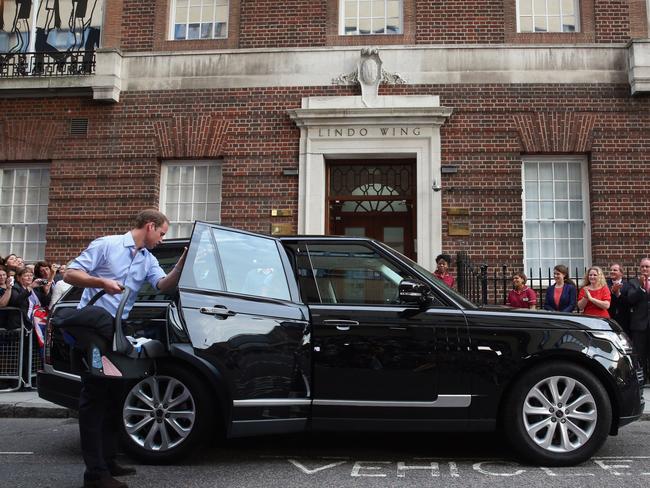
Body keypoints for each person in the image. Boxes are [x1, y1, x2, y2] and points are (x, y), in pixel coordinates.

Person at [64, 209, 186, 488]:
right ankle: (94, 475)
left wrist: (180, 264)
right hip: (94, 332)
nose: (162, 239)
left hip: (116, 332)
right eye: (162, 233)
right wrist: (101, 282)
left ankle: (108, 461)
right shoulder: (107, 245)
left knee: (114, 396)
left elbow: (164, 285)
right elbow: (70, 274)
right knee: (94, 399)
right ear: (150, 226)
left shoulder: (148, 259)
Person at [624, 257, 650, 385]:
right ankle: (642, 379)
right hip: (639, 325)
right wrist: (641, 287)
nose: (645, 269)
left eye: (647, 267)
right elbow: (631, 299)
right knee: (640, 354)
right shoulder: (633, 282)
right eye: (643, 267)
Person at [607, 263, 632, 333]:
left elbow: (629, 301)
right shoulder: (605, 284)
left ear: (621, 273)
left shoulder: (628, 285)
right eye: (611, 270)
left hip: (624, 318)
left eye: (615, 270)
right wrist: (612, 292)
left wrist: (618, 294)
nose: (612, 272)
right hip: (609, 316)